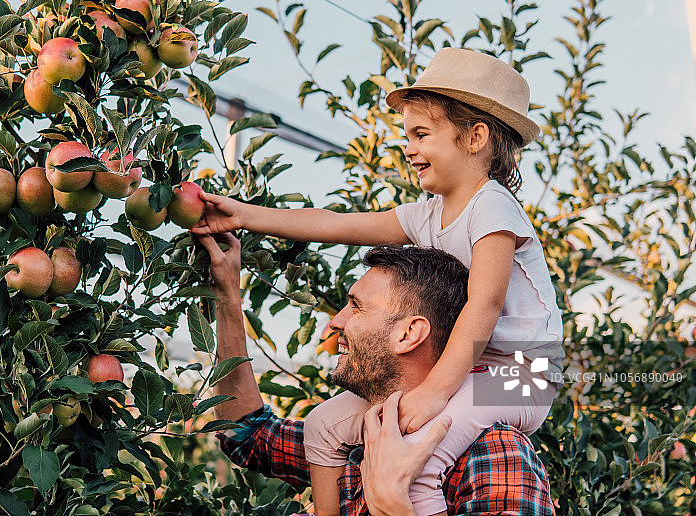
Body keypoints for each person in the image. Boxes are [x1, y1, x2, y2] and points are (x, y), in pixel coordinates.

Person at [191, 47, 564, 515]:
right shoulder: (428, 214)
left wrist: (433, 392)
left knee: (421, 455)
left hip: (521, 376)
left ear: (475, 137)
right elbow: (334, 224)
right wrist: (243, 215)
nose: (408, 147)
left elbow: (484, 305)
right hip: (470, 367)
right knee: (325, 425)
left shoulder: (492, 209)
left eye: (421, 134)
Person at [198, 231, 554, 515]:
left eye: (356, 307)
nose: (336, 322)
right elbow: (247, 436)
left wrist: (395, 508)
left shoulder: (493, 454)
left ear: (408, 334)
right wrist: (227, 294)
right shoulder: (352, 442)